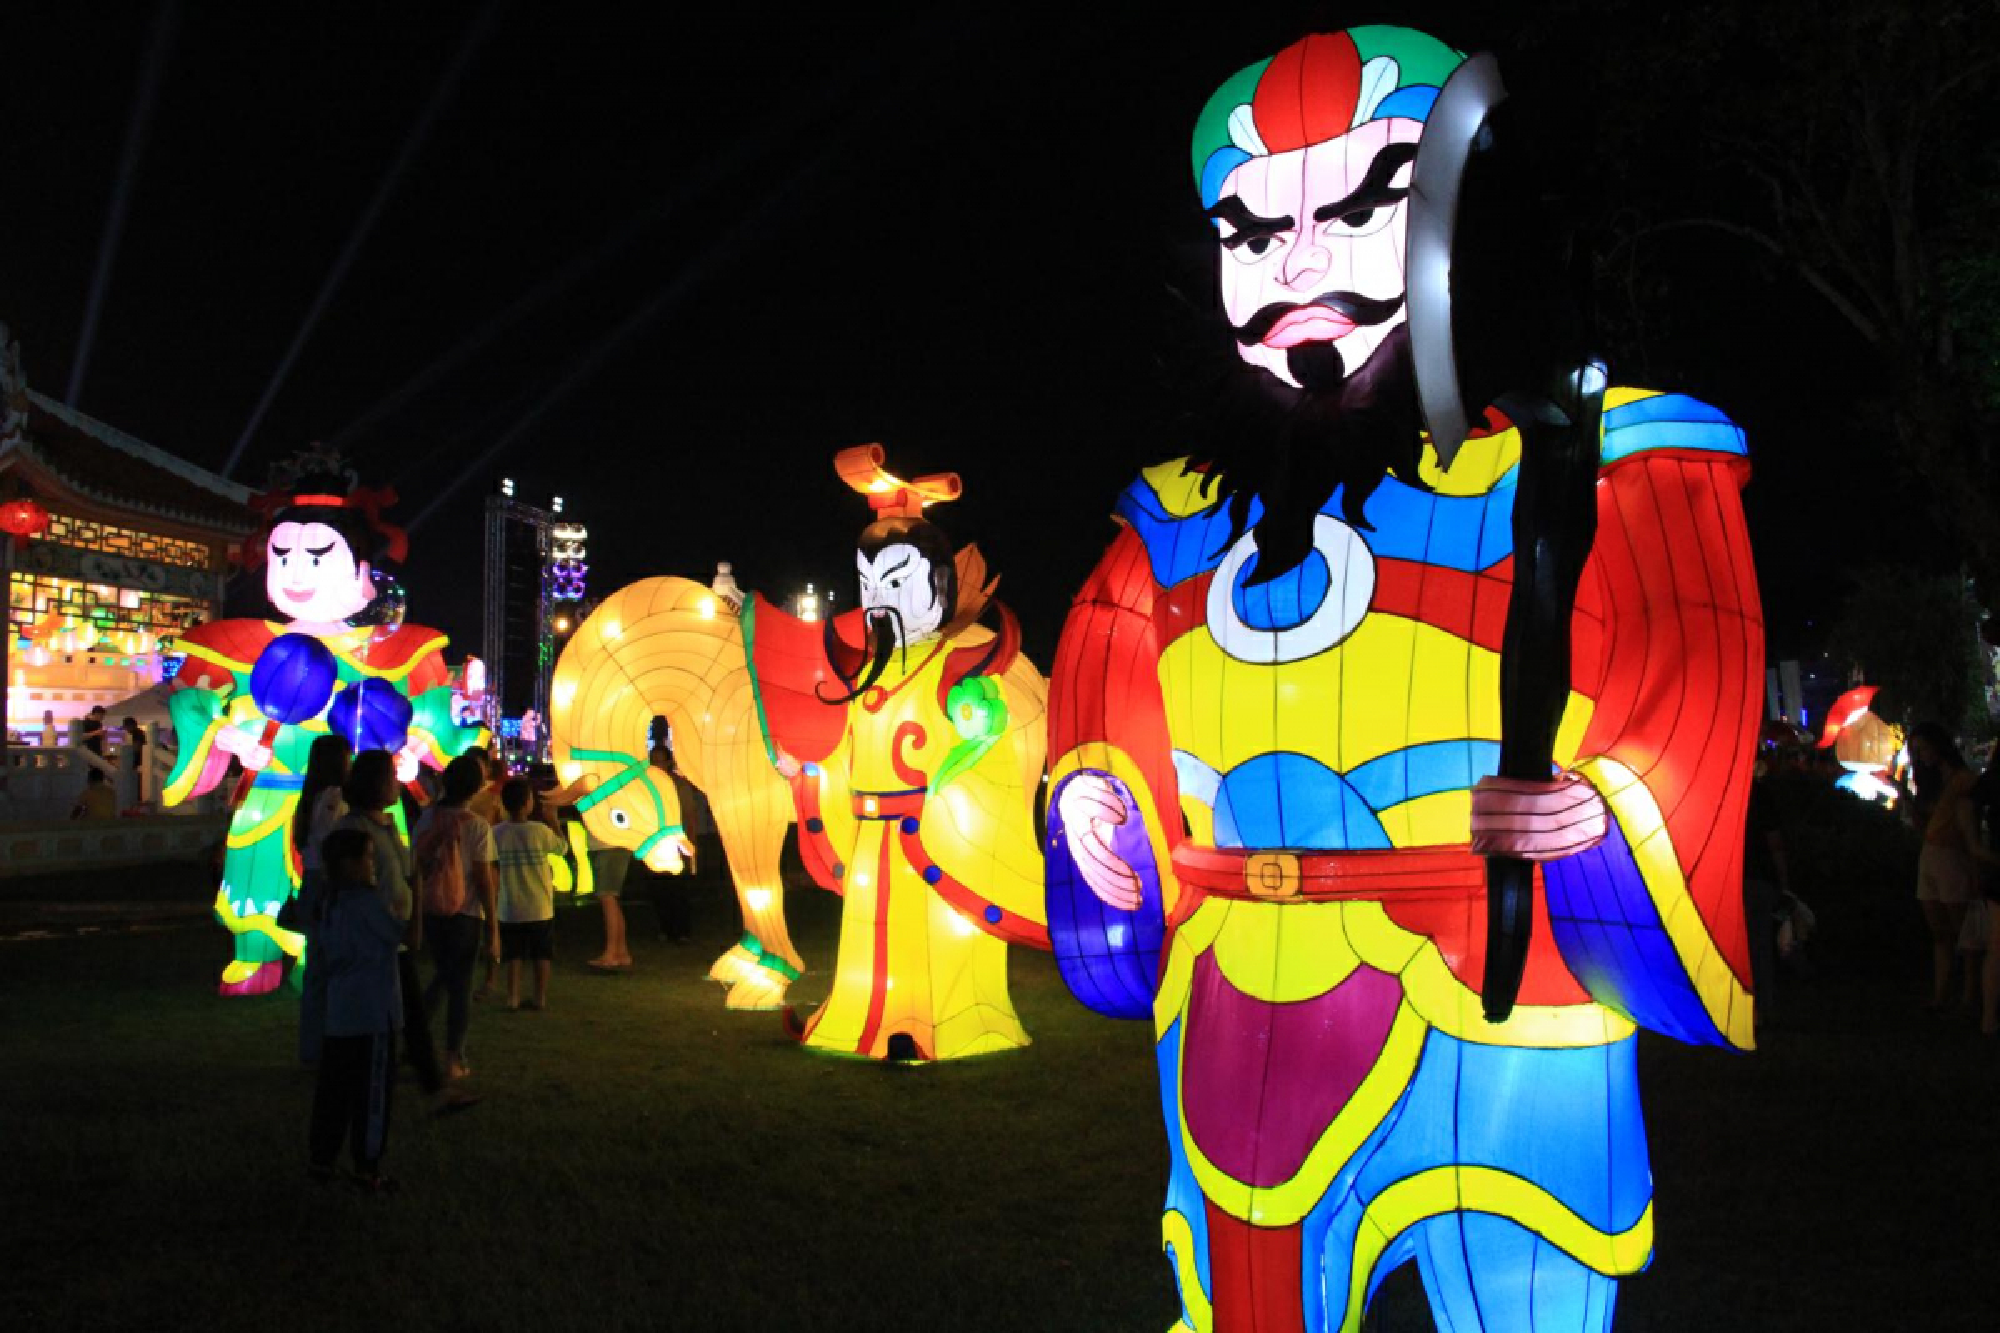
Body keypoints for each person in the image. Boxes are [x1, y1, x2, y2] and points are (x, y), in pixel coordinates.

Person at [1041, 27, 1762, 1329]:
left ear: (1459, 221)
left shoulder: (1607, 465)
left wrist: (1608, 800)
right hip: (1234, 1007)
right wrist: (1096, 793)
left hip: (1499, 1004)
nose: (1299, 264)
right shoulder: (1171, 524)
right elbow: (1102, 690)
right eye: (1252, 231)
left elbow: (1688, 663)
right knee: (1239, 1296)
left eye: (1362, 208)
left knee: (1519, 1288)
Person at [335, 750, 475, 1112]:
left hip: (394, 935)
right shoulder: (354, 829)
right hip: (373, 937)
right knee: (398, 1015)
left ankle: (429, 1087)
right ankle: (396, 1087)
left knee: (410, 1013)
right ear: (375, 783)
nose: (398, 782)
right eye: (392, 776)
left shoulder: (386, 825)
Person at [306, 827, 405, 1190]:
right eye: (366, 857)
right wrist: (417, 891)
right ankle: (367, 1165)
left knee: (333, 1090)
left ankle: (322, 1158)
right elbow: (405, 935)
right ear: (349, 864)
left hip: (339, 1015)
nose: (372, 863)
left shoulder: (328, 902)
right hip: (373, 1013)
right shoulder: (367, 902)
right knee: (372, 1092)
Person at [414, 755, 499, 1080]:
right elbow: (484, 881)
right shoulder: (476, 826)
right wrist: (493, 929)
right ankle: (454, 1057)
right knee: (459, 985)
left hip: (433, 909)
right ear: (476, 789)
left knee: (443, 975)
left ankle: (415, 1041)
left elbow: (417, 865)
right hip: (465, 914)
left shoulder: (427, 819)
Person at [1901, 721, 1979, 1009]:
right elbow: (1924, 825)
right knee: (1940, 930)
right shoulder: (1934, 782)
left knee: (1961, 930)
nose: (1920, 755)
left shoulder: (1962, 780)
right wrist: (1907, 797)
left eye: (1922, 748)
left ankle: (1966, 994)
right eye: (1916, 751)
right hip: (1933, 853)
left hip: (1951, 854)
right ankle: (1943, 993)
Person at [289, 735, 352, 1065]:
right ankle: (322, 1048)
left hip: (314, 881)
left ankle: (313, 1048)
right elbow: (332, 843)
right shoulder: (333, 797)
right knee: (327, 971)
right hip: (327, 882)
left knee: (318, 970)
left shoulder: (309, 797)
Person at [494, 777, 563, 1010]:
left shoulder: (497, 833)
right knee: (541, 955)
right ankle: (539, 997)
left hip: (509, 906)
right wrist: (554, 821)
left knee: (514, 955)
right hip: (539, 906)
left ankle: (512, 997)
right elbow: (561, 848)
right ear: (527, 804)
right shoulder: (539, 831)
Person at [586, 824, 635, 971]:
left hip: (608, 845)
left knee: (607, 896)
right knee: (610, 898)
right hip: (609, 844)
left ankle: (611, 953)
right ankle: (620, 951)